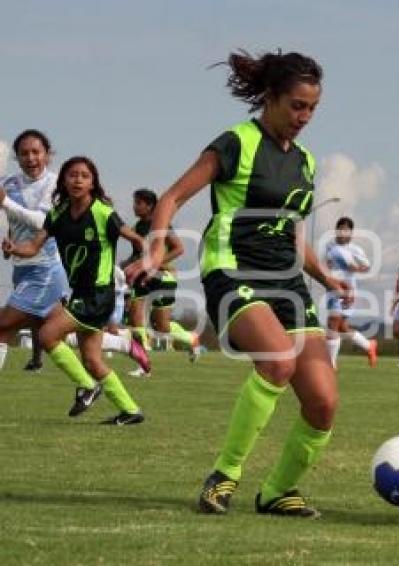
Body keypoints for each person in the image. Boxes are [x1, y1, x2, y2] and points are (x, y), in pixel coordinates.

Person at [126, 49, 348, 517]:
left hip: (288, 283)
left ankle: (277, 491)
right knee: (277, 363)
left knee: (324, 403)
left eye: (312, 108)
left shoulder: (305, 160)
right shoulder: (235, 143)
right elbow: (171, 198)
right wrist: (154, 247)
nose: (304, 116)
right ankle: (224, 477)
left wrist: (325, 276)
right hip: (233, 271)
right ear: (271, 98)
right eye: (297, 105)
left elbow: (292, 234)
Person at [4, 156, 148, 424]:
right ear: (63, 181)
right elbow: (34, 247)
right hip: (80, 294)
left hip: (99, 294)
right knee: (92, 360)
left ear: (93, 183)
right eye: (72, 175)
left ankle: (88, 387)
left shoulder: (103, 213)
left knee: (48, 334)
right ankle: (131, 411)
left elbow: (137, 239)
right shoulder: (57, 214)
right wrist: (14, 249)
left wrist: (140, 266)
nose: (77, 180)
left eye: (84, 175)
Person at [0, 130, 69, 375]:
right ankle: (90, 384)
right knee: (51, 333)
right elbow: (11, 221)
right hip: (22, 267)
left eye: (36, 152)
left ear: (47, 155)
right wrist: (9, 243)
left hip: (46, 269)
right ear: (17, 157)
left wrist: (5, 203)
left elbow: (43, 222)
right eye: (24, 153)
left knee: (3, 327)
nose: (31, 158)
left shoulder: (56, 184)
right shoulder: (8, 184)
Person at [124, 188, 201, 374]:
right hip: (142, 277)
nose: (134, 207)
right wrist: (127, 265)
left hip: (162, 277)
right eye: (134, 202)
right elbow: (137, 254)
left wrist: (158, 261)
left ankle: (191, 339)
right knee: (135, 318)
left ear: (150, 206)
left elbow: (179, 248)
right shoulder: (136, 227)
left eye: (138, 203)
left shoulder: (161, 225)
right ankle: (143, 365)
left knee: (162, 327)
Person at [324, 216, 377, 368]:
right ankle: (369, 346)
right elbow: (325, 264)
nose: (343, 232)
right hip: (332, 287)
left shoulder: (355, 249)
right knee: (342, 327)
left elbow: (366, 266)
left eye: (346, 229)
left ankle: (330, 364)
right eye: (340, 228)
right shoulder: (330, 246)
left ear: (351, 233)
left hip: (347, 290)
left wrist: (355, 268)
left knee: (333, 322)